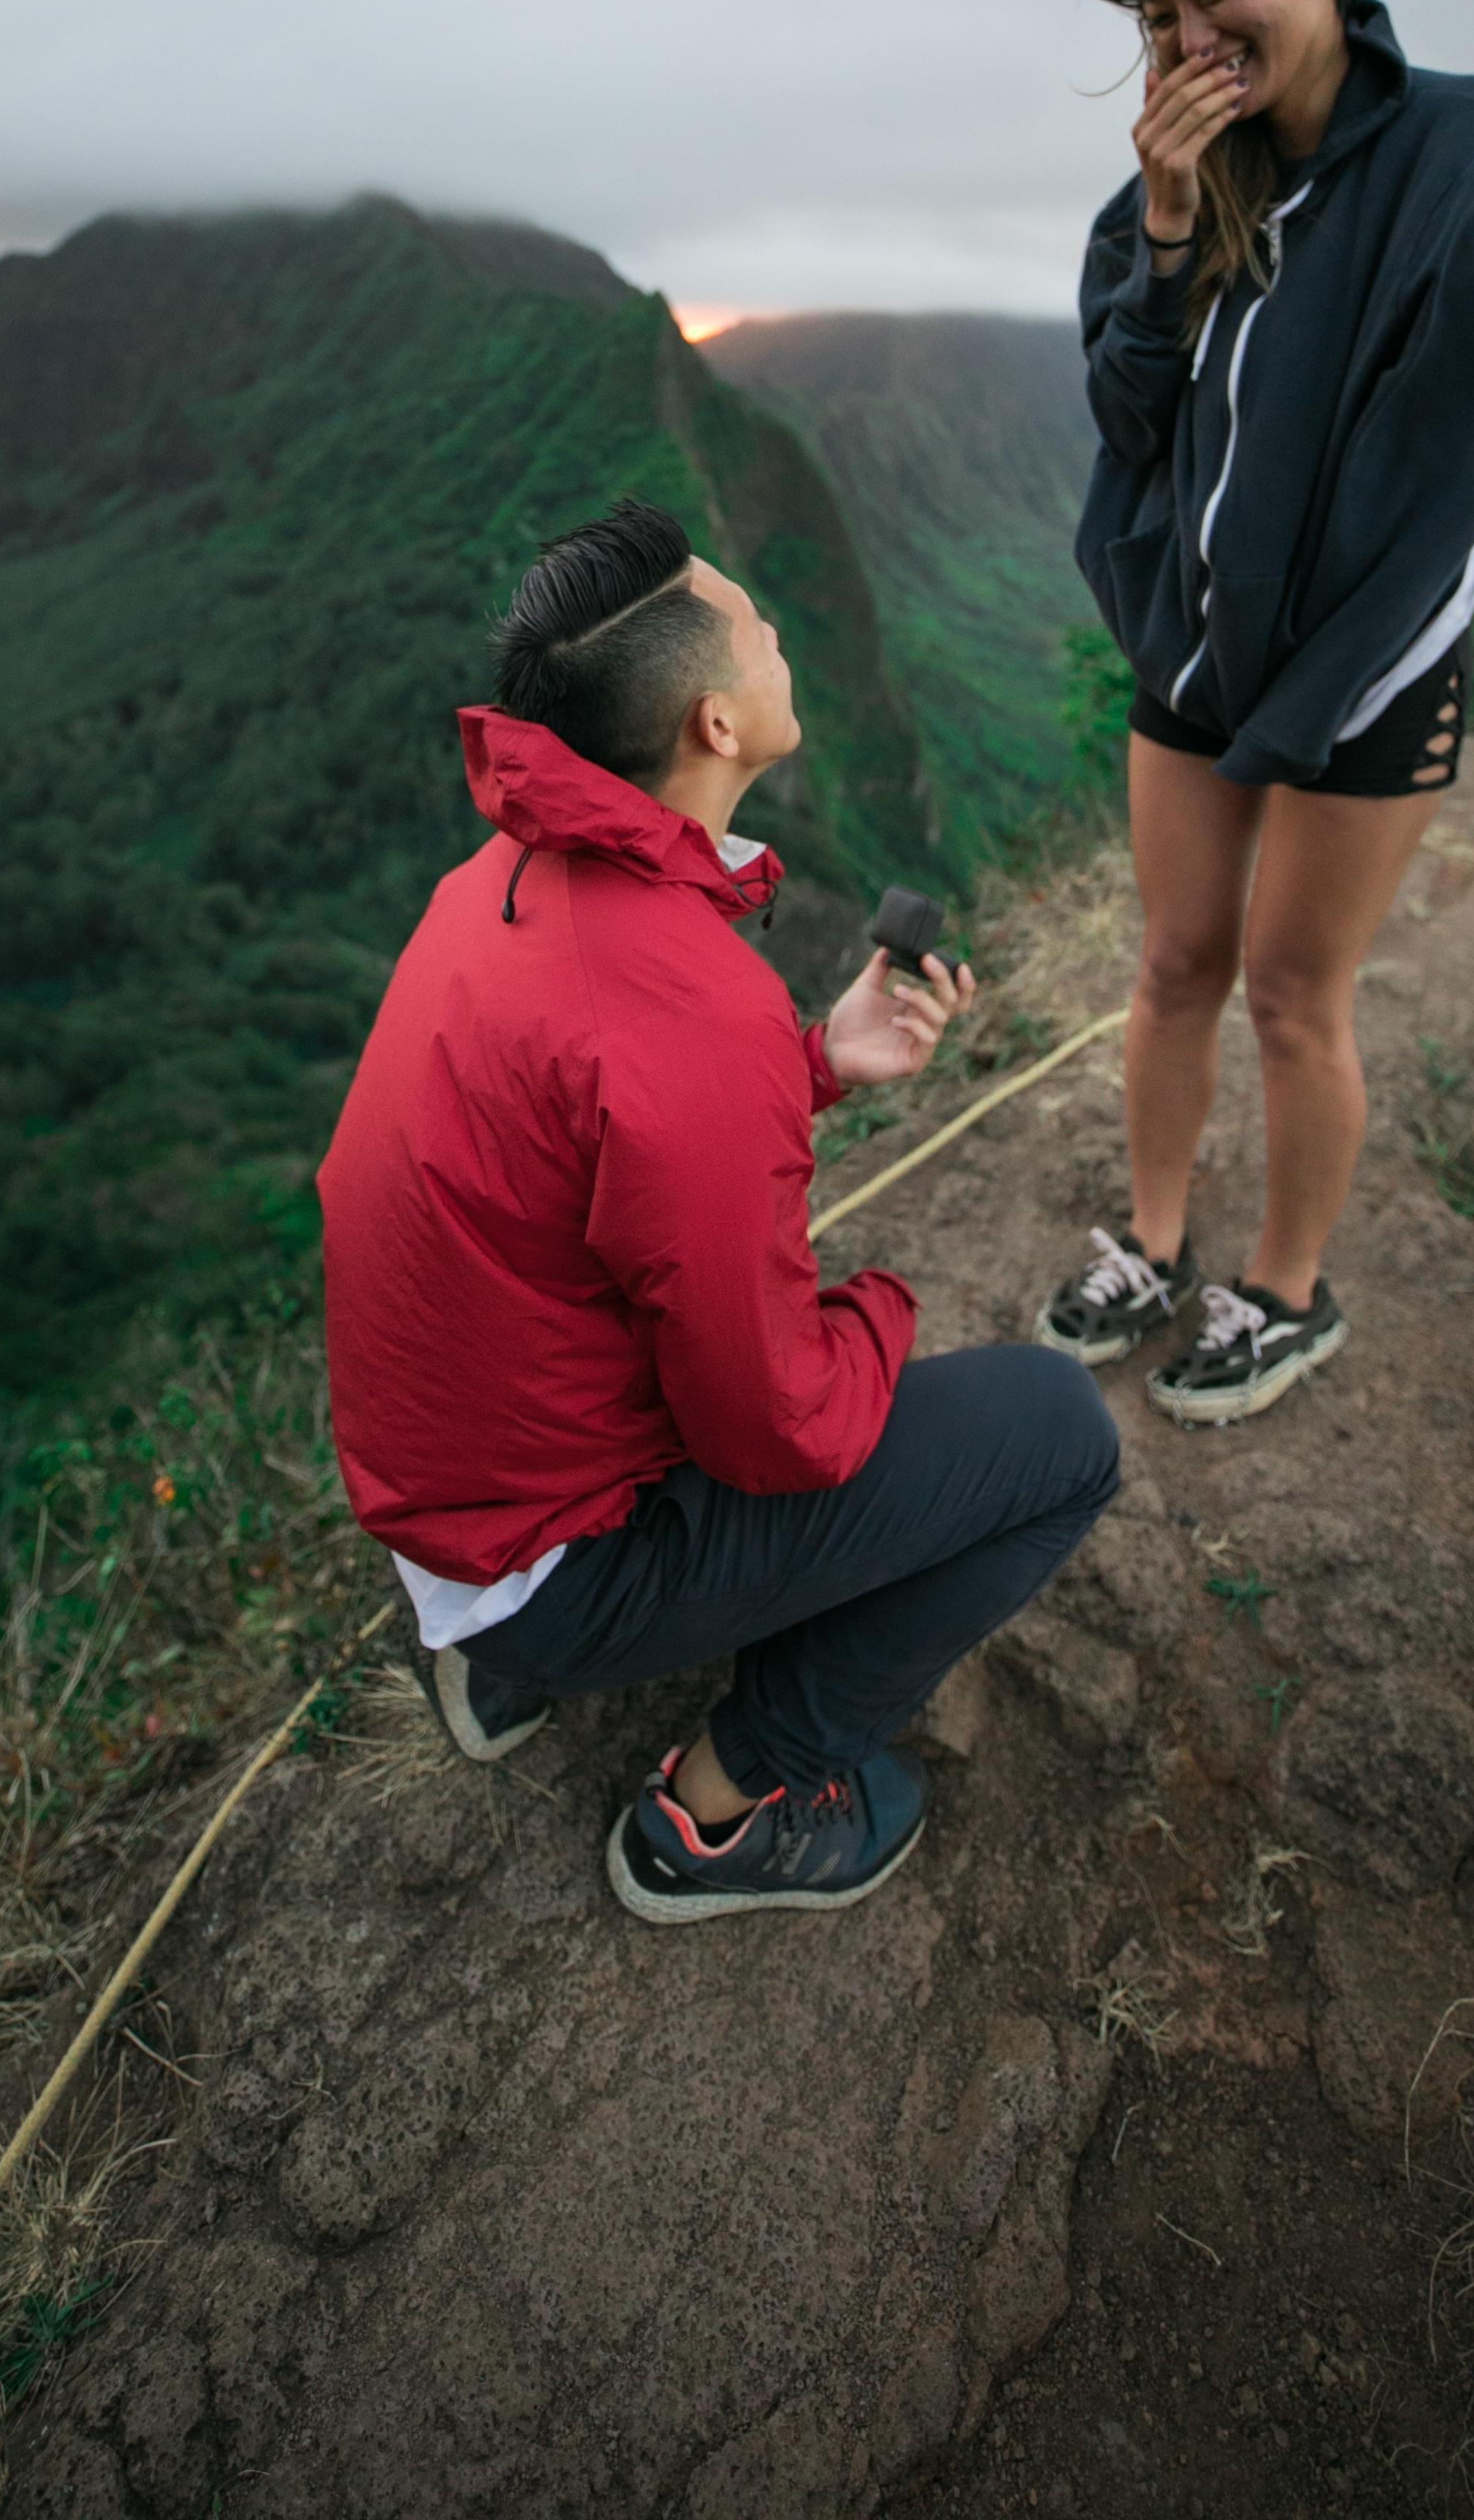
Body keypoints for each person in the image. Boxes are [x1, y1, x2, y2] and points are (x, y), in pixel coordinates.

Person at [750, 0, 1474, 1425]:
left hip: (1371, 662)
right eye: (1164, 22)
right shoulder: (1163, 195)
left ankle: (1285, 1288)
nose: (1195, 43)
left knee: (1289, 990)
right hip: (1190, 653)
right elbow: (1134, 427)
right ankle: (1155, 1243)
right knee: (1173, 968)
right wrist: (1176, 230)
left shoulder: (1471, 157)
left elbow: (1447, 472)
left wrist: (1304, 707)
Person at [319, 497, 1122, 1922]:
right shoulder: (684, 1012)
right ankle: (723, 1808)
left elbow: (587, 1149)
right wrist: (878, 1315)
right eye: (756, 626)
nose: (778, 632)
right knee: (1058, 1436)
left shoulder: (504, 880)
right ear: (716, 725)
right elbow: (783, 1433)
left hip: (444, 1489)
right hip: (540, 1555)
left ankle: (493, 1664)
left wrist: (809, 1065)